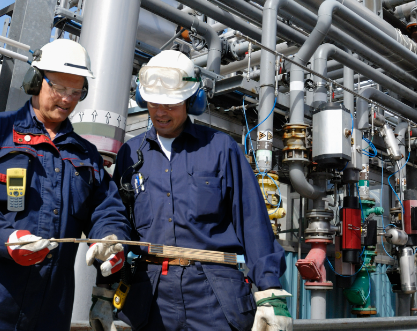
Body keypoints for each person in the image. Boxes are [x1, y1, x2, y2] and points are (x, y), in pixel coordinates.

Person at [104, 50, 291, 331]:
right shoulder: (131, 154)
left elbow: (252, 222)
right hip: (150, 296)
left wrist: (270, 292)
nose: (160, 111)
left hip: (213, 296)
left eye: (170, 104)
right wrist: (104, 289)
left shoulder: (221, 148)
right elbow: (117, 222)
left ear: (192, 100)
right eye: (153, 103)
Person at [0, 39, 130, 331]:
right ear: (35, 81)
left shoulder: (85, 155)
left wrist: (110, 238)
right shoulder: (2, 134)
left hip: (51, 310)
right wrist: (4, 241)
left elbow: (106, 209)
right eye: (59, 88)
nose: (68, 99)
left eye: (77, 91)